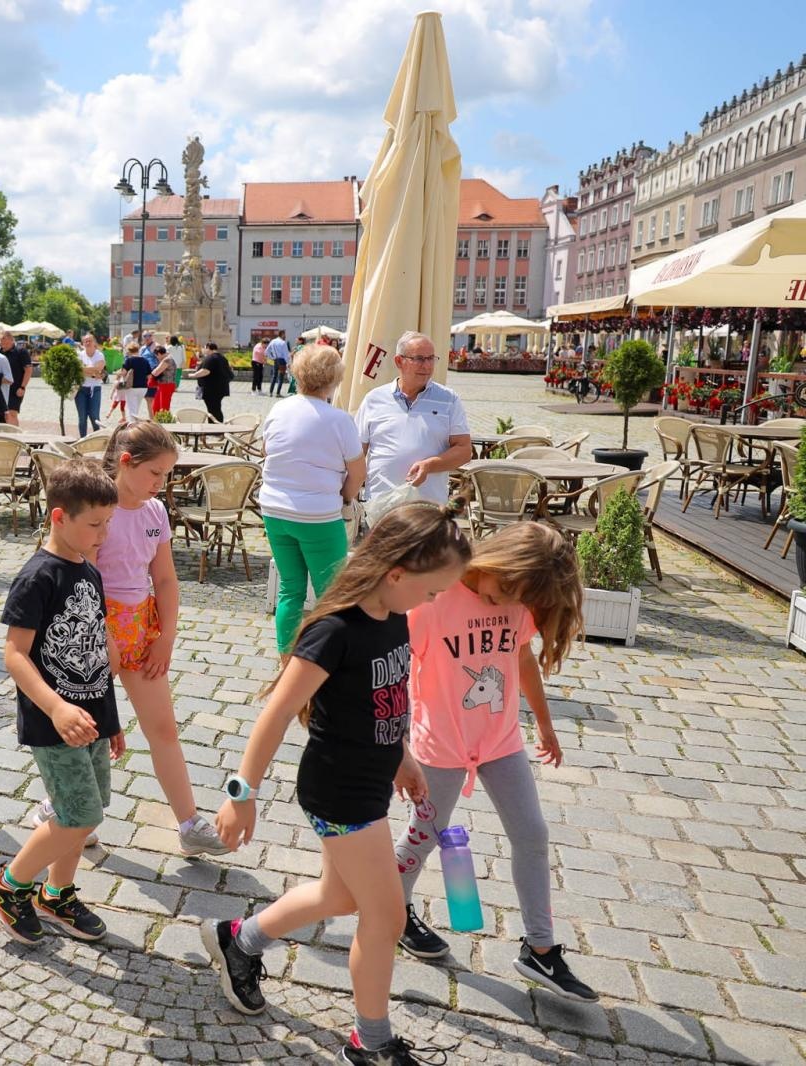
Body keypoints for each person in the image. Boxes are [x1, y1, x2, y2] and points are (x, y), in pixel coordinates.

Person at [200, 502, 470, 1065]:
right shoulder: (334, 631)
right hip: (339, 792)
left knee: (339, 896)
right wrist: (240, 795)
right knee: (387, 915)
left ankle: (238, 940)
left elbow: (381, 701)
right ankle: (370, 1044)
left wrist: (402, 756)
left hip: (370, 783)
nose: (433, 602)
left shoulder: (394, 615)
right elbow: (275, 714)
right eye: (432, 591)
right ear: (397, 573)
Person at [391, 522, 599, 1003]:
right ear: (494, 560)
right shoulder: (433, 600)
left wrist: (544, 724)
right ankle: (392, 912)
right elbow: (396, 675)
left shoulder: (519, 599)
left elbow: (520, 657)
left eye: (517, 597)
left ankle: (540, 950)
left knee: (533, 833)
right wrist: (399, 749)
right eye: (502, 590)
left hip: (501, 740)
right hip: (440, 746)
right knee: (421, 839)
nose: (504, 603)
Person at [37, 423, 229, 855]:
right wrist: (103, 637)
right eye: (155, 473)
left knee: (163, 728)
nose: (161, 484)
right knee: (89, 731)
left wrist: (166, 638)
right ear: (126, 462)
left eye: (166, 475)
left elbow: (164, 578)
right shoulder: (99, 512)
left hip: (142, 627)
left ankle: (189, 822)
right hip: (93, 631)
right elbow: (85, 579)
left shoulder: (154, 512)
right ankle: (62, 809)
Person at [0, 460, 123, 945]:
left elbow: (97, 651)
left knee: (87, 809)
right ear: (60, 518)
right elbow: (15, 654)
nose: (103, 534)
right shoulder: (38, 576)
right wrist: (56, 708)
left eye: (108, 524)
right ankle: (9, 883)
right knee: (79, 812)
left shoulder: (89, 570)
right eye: (95, 525)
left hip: (91, 718)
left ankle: (56, 894)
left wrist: (111, 719)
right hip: (54, 721)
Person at [258, 344, 366, 656]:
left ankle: (285, 658)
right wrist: (345, 497)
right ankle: (327, 661)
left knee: (290, 589)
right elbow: (358, 473)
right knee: (331, 594)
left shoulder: (279, 409)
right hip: (318, 514)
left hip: (275, 510)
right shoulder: (339, 420)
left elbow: (269, 451)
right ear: (335, 378)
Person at [354, 332, 472, 506]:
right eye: (419, 359)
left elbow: (464, 450)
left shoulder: (449, 399)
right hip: (381, 506)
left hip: (428, 508)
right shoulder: (374, 399)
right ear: (399, 361)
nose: (427, 366)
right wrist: (350, 496)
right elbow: (356, 452)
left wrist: (429, 466)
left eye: (431, 358)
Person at [188, 342, 234, 422]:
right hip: (220, 388)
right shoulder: (222, 357)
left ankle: (214, 427)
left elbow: (206, 371)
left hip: (211, 389)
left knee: (213, 409)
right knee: (216, 408)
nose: (203, 350)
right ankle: (216, 425)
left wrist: (193, 375)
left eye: (204, 348)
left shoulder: (211, 358)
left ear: (208, 348)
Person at [74, 333, 105, 437]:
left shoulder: (99, 354)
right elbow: (77, 370)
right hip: (80, 389)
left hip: (95, 389)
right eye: (85, 341)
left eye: (90, 340)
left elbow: (99, 369)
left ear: (94, 342)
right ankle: (82, 440)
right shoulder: (79, 355)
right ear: (83, 343)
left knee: (94, 416)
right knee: (82, 417)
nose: (87, 343)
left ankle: (97, 439)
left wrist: (85, 370)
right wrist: (93, 372)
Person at [0, 330, 33, 426]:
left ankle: (14, 438)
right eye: (0, 339)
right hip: (2, 388)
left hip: (16, 389)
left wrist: (23, 387)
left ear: (11, 339)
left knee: (11, 413)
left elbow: (28, 370)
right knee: (2, 415)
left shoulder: (21, 351)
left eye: (3, 339)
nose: (1, 342)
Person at [118, 343, 151, 424]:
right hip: (143, 388)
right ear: (138, 350)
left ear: (129, 351)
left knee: (131, 410)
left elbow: (123, 373)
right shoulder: (145, 361)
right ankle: (135, 426)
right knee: (136, 409)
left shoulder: (129, 360)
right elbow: (149, 376)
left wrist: (118, 373)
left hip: (131, 387)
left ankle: (132, 428)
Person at [268, 331, 291, 397]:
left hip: (276, 360)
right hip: (282, 361)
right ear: (282, 334)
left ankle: (270, 392)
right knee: (280, 377)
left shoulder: (272, 341)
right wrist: (288, 363)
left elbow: (267, 351)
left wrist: (272, 357)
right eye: (284, 335)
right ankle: (277, 393)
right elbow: (286, 354)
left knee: (274, 376)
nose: (285, 336)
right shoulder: (283, 342)